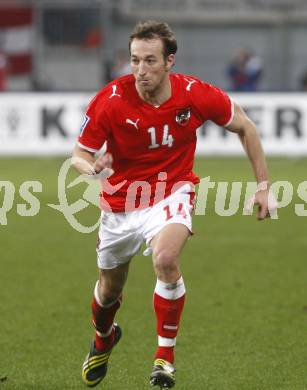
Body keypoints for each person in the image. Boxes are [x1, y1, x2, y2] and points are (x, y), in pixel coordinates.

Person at [72, 20, 272, 389]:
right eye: (134, 60)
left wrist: (263, 186)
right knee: (108, 291)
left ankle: (164, 358)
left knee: (165, 260)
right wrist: (93, 167)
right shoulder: (111, 99)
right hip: (120, 204)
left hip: (171, 191)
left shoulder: (193, 94)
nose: (140, 70)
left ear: (170, 62)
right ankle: (104, 338)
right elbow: (79, 154)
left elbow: (246, 126)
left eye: (150, 60)